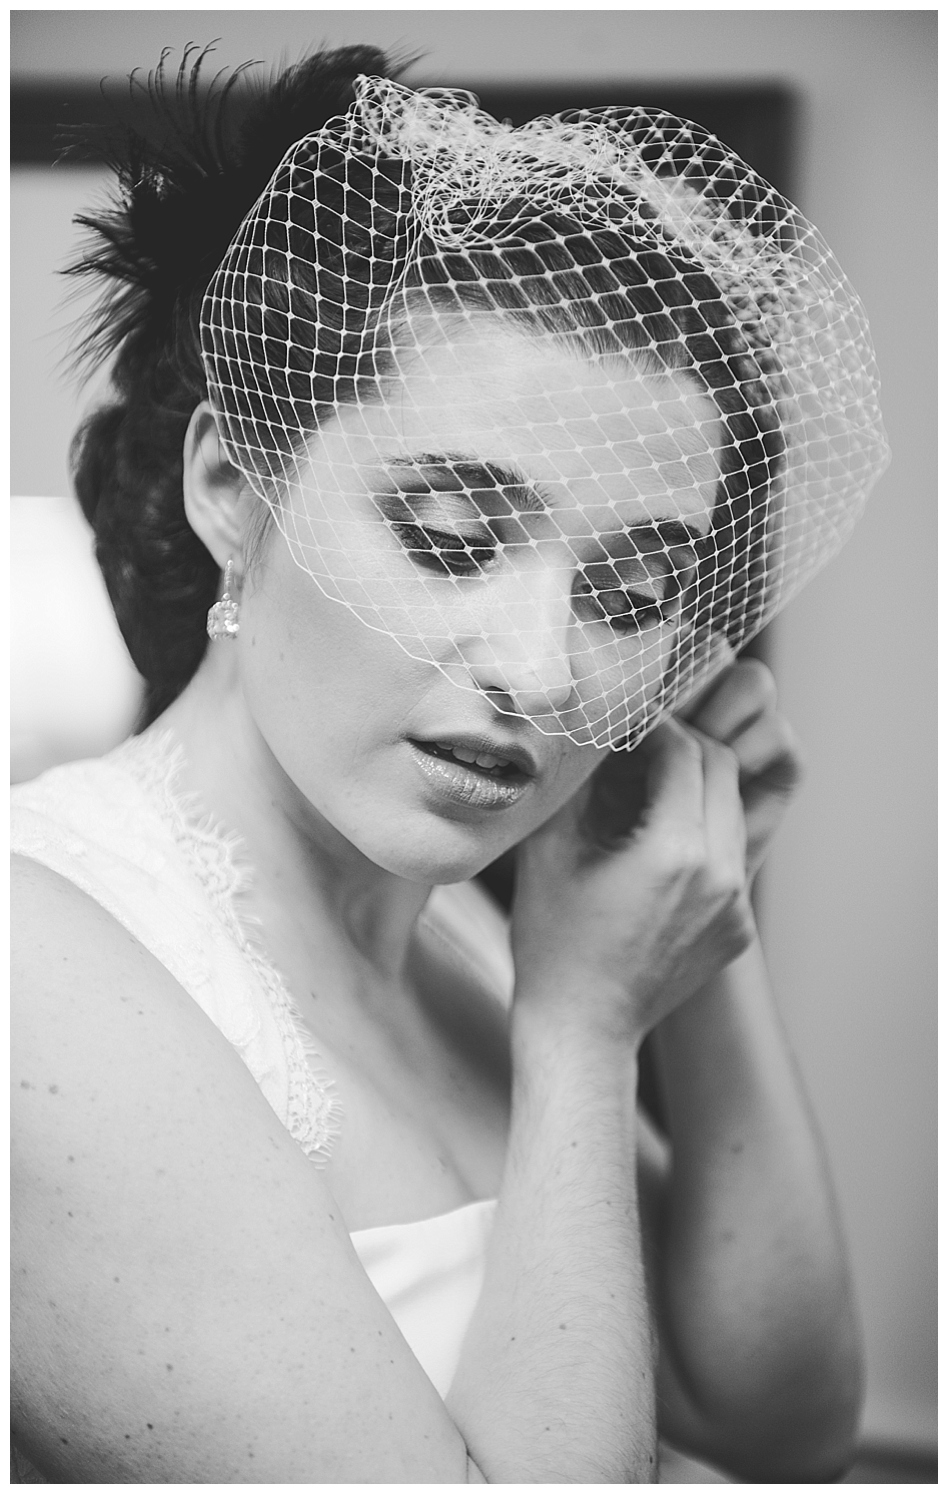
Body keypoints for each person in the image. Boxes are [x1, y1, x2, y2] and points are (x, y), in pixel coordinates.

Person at [11, 46, 889, 1483]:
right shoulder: (32, 970)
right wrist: (587, 1028)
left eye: (628, 591)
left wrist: (698, 923)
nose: (547, 672)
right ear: (235, 487)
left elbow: (778, 1425)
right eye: (452, 536)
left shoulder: (470, 927)